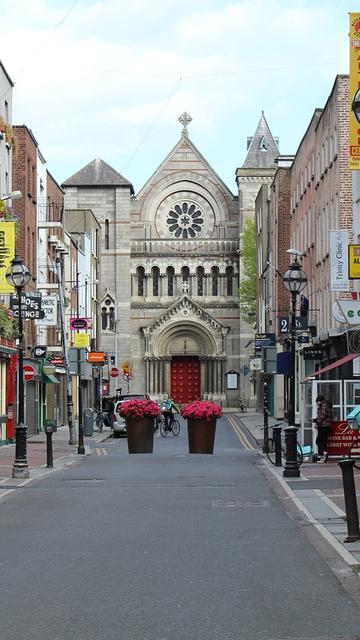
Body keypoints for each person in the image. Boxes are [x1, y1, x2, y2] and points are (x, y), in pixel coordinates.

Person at [312, 395, 333, 462]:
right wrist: (316, 420)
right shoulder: (326, 405)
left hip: (324, 426)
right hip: (326, 426)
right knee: (323, 441)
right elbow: (324, 416)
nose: (316, 404)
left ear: (319, 401)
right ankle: (324, 456)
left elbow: (323, 415)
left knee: (318, 441)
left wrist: (317, 421)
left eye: (317, 402)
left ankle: (323, 453)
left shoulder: (324, 405)